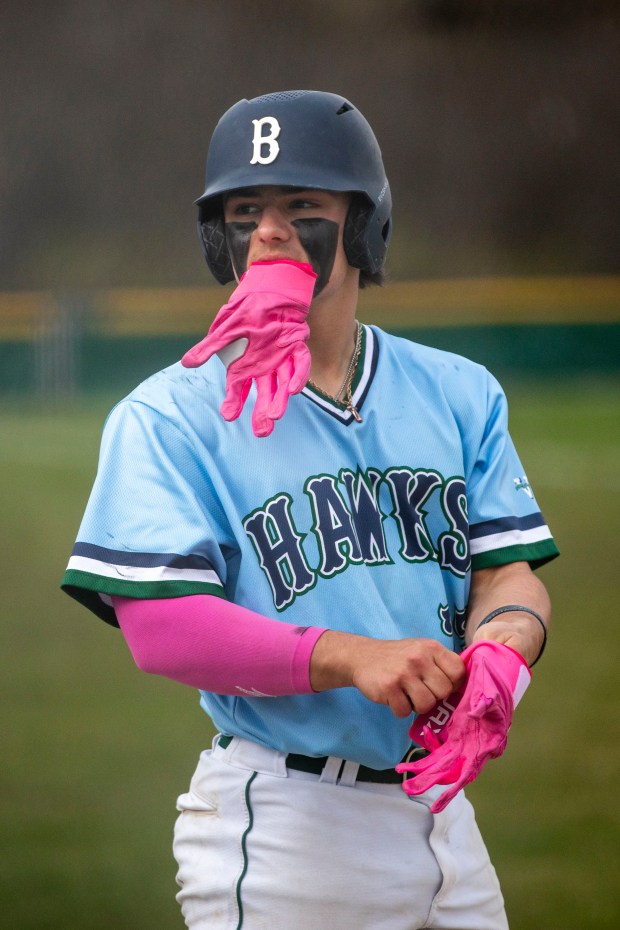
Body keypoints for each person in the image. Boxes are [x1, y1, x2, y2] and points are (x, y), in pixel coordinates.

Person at [62, 90, 559, 930]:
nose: (268, 229)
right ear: (217, 234)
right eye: (244, 208)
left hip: (444, 815)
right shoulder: (169, 414)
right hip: (289, 824)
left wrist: (507, 650)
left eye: (301, 205)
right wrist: (347, 655)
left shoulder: (457, 391)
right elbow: (161, 630)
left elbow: (506, 570)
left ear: (364, 225)